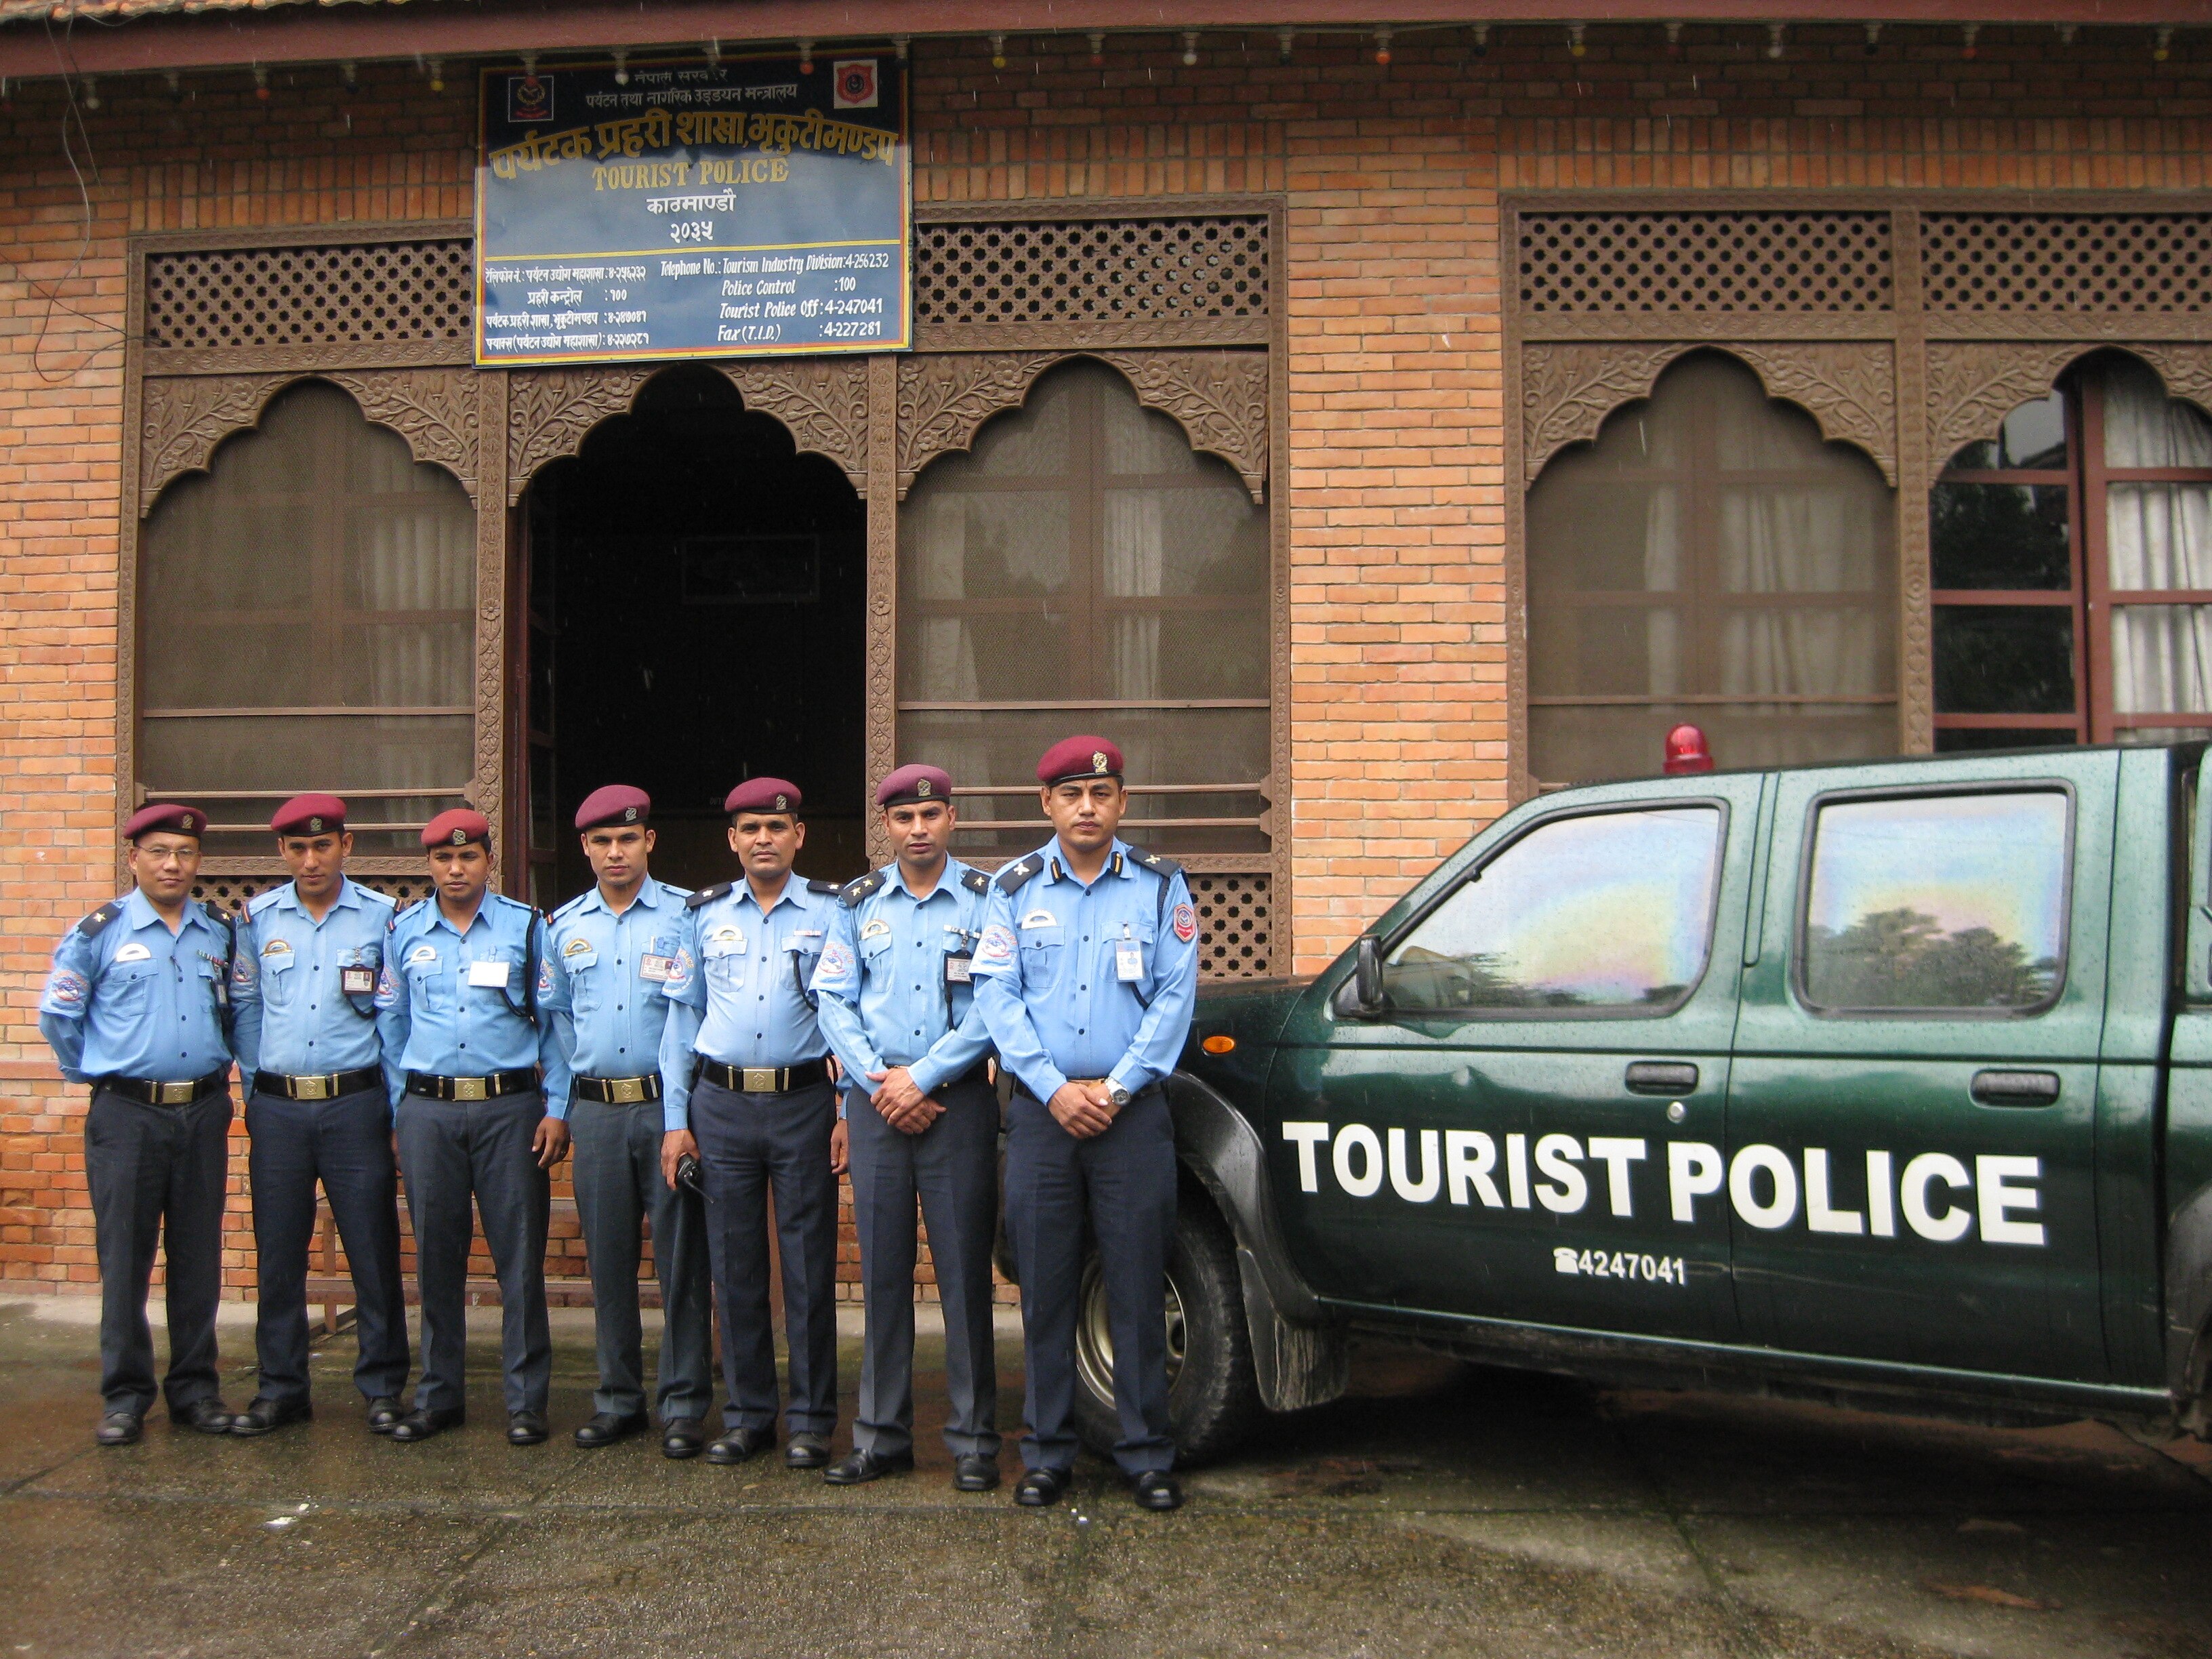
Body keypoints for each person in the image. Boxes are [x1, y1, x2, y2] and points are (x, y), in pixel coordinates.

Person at [972, 737, 1200, 1513]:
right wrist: (1051, 1087)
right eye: (1071, 795)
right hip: (1041, 1119)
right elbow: (996, 997)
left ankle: (1145, 1454)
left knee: (1137, 1283)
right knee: (1046, 1288)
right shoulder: (1013, 889)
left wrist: (1117, 1087)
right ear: (1047, 805)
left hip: (1130, 1118)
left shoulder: (1162, 887)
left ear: (1122, 803)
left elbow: (1175, 1000)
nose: (1086, 809)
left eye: (1101, 796)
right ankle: (1046, 1452)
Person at [813, 763, 1001, 1490]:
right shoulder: (858, 905)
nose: (917, 829)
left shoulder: (986, 902)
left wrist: (923, 1077)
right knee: (883, 1278)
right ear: (885, 826)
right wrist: (879, 1080)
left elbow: (997, 1000)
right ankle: (880, 1436)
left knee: (962, 1279)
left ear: (951, 819)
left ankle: (976, 1440)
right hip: (876, 1107)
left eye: (930, 816)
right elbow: (834, 996)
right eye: (902, 819)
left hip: (958, 1104)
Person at [657, 778, 844, 1470]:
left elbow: (844, 1017)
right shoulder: (702, 915)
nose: (763, 838)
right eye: (749, 828)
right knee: (733, 1268)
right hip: (722, 1104)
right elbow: (680, 1021)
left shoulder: (833, 910)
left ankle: (812, 1419)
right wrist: (677, 1120)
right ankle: (747, 1416)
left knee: (807, 1267)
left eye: (776, 826)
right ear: (731, 840)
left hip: (802, 1103)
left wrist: (847, 1105)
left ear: (799, 835)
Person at [39, 802, 239, 1447]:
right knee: (125, 1257)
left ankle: (195, 1390)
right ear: (134, 859)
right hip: (126, 1114)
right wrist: (99, 1075)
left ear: (198, 862)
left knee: (197, 1256)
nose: (172, 864)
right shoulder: (98, 932)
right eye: (158, 852)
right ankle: (125, 1396)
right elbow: (59, 1018)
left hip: (203, 1110)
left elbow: (234, 1014)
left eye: (183, 853)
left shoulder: (216, 931)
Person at [375, 808, 568, 1446]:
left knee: (519, 1259)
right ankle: (439, 1395)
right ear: (429, 865)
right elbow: (392, 1024)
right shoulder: (404, 932)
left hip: (508, 1110)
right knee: (436, 1256)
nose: (455, 869)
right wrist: (401, 1104)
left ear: (489, 859)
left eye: (468, 858)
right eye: (442, 859)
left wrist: (556, 1106)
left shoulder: (526, 928)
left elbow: (554, 1025)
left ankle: (525, 1400)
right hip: (429, 1110)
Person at [228, 794, 409, 1437]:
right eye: (298, 848)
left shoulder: (382, 919)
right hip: (278, 1107)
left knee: (372, 1247)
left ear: (346, 846)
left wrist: (392, 1108)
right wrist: (255, 1090)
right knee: (278, 1252)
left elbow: (392, 1018)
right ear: (281, 852)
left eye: (322, 845)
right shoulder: (256, 919)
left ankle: (383, 1387)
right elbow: (246, 1011)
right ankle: (281, 1389)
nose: (311, 859)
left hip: (355, 1103)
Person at [541, 785, 714, 1458]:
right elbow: (556, 1021)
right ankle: (617, 1399)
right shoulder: (564, 927)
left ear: (649, 842)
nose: (616, 852)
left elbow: (689, 1017)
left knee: (680, 1267)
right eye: (603, 842)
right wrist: (563, 1105)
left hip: (665, 1112)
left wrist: (681, 1114)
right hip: (597, 1114)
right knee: (608, 1262)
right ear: (586, 847)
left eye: (628, 839)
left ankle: (682, 1404)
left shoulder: (684, 917)